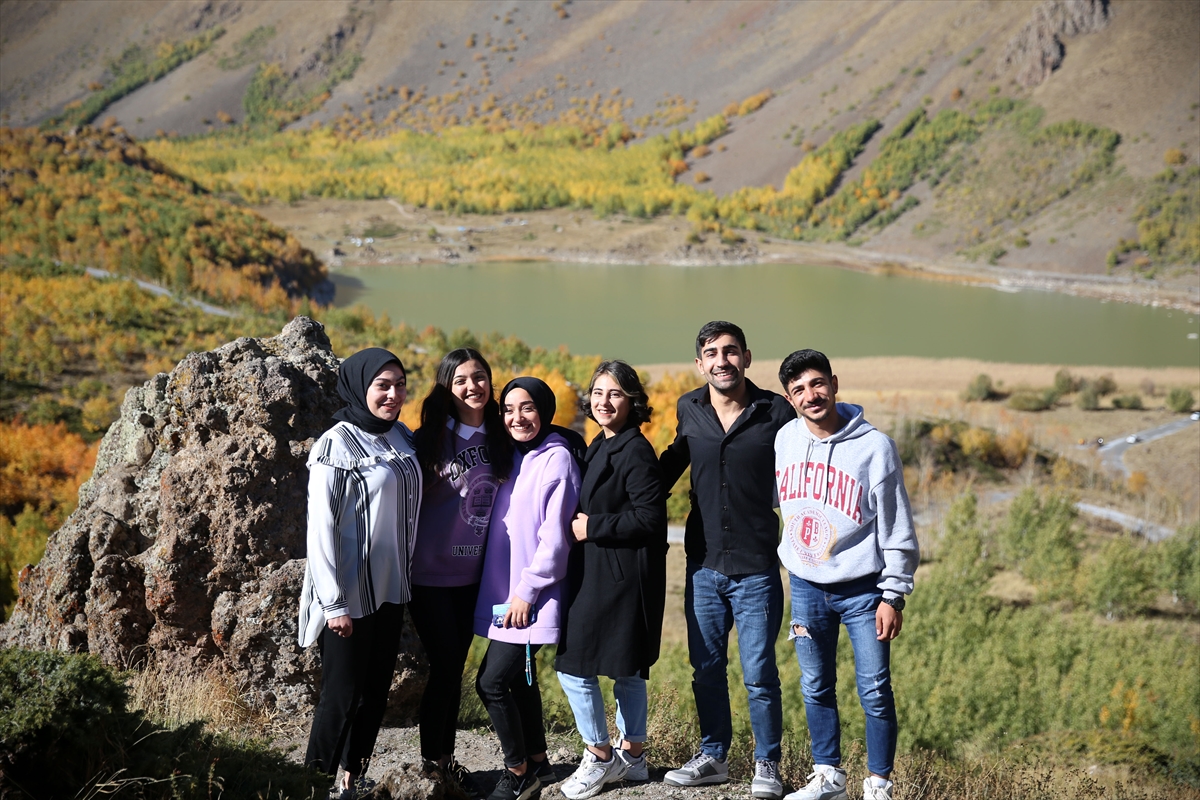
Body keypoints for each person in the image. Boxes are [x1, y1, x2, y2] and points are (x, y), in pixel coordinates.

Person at [774, 350, 918, 800]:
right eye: (798, 389)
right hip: (806, 587)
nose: (810, 395)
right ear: (789, 397)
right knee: (815, 686)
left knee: (874, 689)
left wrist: (893, 595)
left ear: (834, 383)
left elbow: (897, 527)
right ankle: (828, 775)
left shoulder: (875, 447)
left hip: (863, 591)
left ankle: (878, 784)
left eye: (817, 384)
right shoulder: (784, 440)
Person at [660, 321, 795, 800]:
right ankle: (714, 755)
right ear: (700, 363)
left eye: (731, 351)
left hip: (758, 567)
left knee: (759, 674)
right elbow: (667, 468)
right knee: (706, 667)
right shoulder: (688, 407)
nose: (722, 360)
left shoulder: (776, 411)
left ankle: (767, 764)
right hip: (702, 566)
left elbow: (811, 457)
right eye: (712, 353)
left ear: (747, 357)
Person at [298, 348, 422, 800]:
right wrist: (333, 603)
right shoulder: (335, 444)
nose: (393, 395)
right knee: (341, 697)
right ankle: (309, 787)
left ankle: (353, 777)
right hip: (348, 594)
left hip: (390, 590)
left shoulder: (402, 437)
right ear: (359, 386)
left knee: (374, 692)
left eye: (400, 385)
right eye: (383, 386)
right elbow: (321, 531)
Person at [554, 361, 668, 800]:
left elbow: (650, 517)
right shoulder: (602, 442)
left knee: (574, 665)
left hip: (619, 574)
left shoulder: (634, 450)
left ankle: (600, 757)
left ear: (632, 401)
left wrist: (592, 527)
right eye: (598, 392)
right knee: (626, 668)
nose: (603, 401)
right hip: (606, 571)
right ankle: (634, 759)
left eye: (615, 393)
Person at [409, 349, 513, 798]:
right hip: (429, 577)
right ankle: (435, 763)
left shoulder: (501, 435)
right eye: (461, 381)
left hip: (475, 578)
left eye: (480, 377)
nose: (473, 387)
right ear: (447, 389)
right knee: (447, 667)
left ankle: (442, 760)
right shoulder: (429, 439)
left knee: (454, 668)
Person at [474, 377, 580, 800]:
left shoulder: (557, 460)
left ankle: (517, 772)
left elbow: (556, 539)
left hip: (529, 597)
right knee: (518, 682)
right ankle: (538, 761)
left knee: (491, 683)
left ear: (545, 410)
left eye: (528, 407)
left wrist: (527, 592)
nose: (517, 417)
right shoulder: (517, 458)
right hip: (508, 593)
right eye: (509, 409)